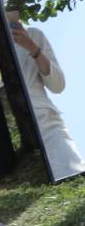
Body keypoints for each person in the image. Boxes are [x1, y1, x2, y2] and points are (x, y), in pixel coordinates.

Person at [6, 10, 85, 180]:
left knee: (74, 174)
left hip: (46, 122)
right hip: (9, 132)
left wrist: (33, 49)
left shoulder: (33, 34)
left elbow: (58, 85)